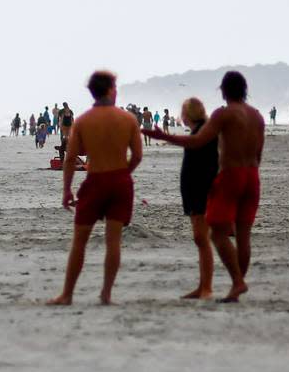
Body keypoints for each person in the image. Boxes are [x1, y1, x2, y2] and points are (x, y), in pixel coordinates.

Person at [150, 71, 265, 302]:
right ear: (244, 89)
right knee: (243, 235)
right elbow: (259, 154)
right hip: (252, 175)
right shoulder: (257, 116)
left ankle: (238, 283)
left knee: (217, 233)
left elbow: (197, 141)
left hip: (231, 175)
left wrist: (165, 136)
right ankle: (236, 287)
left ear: (223, 90)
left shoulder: (223, 114)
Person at [48, 71, 142, 306]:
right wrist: (123, 174)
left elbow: (70, 159)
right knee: (113, 241)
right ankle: (106, 294)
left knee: (80, 241)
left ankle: (67, 294)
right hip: (120, 182)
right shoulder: (128, 119)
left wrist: (67, 190)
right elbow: (138, 156)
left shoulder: (84, 121)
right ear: (111, 90)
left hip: (95, 180)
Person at [175, 98, 220, 299]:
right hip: (196, 191)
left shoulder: (203, 132)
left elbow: (209, 165)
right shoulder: (201, 130)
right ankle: (203, 286)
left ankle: (207, 288)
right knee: (200, 239)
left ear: (187, 114)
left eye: (183, 112)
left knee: (202, 239)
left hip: (201, 191)